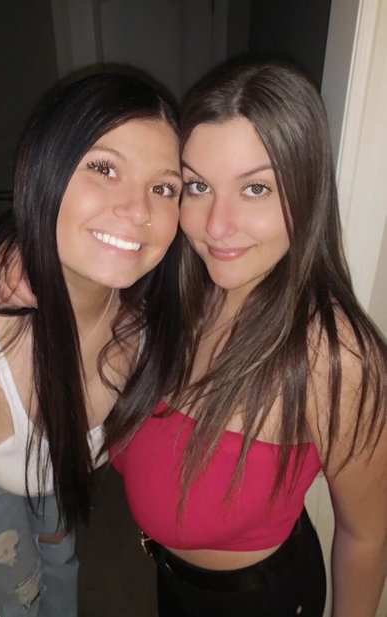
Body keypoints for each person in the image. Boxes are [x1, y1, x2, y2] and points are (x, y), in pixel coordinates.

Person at [108, 59, 387, 617]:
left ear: (305, 193)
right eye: (198, 186)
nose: (216, 225)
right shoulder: (172, 297)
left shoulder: (334, 355)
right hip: (169, 582)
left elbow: (367, 537)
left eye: (256, 188)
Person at [0, 70, 184, 617]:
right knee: (16, 597)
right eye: (104, 168)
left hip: (50, 473)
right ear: (45, 169)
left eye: (164, 187)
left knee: (62, 564)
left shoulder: (149, 320)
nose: (139, 210)